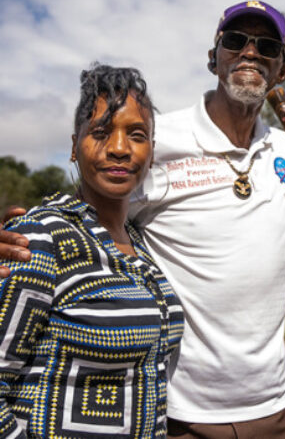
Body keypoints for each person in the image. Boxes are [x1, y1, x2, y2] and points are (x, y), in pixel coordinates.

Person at [0, 0, 285, 438]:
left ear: (282, 70)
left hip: (277, 408)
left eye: (266, 45)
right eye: (236, 40)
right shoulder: (158, 138)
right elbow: (91, 201)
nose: (250, 52)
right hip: (184, 418)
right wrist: (24, 232)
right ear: (213, 57)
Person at [0, 65, 184, 438]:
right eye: (100, 132)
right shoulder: (41, 237)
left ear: (151, 152)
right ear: (73, 147)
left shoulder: (142, 247)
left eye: (137, 135)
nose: (119, 148)